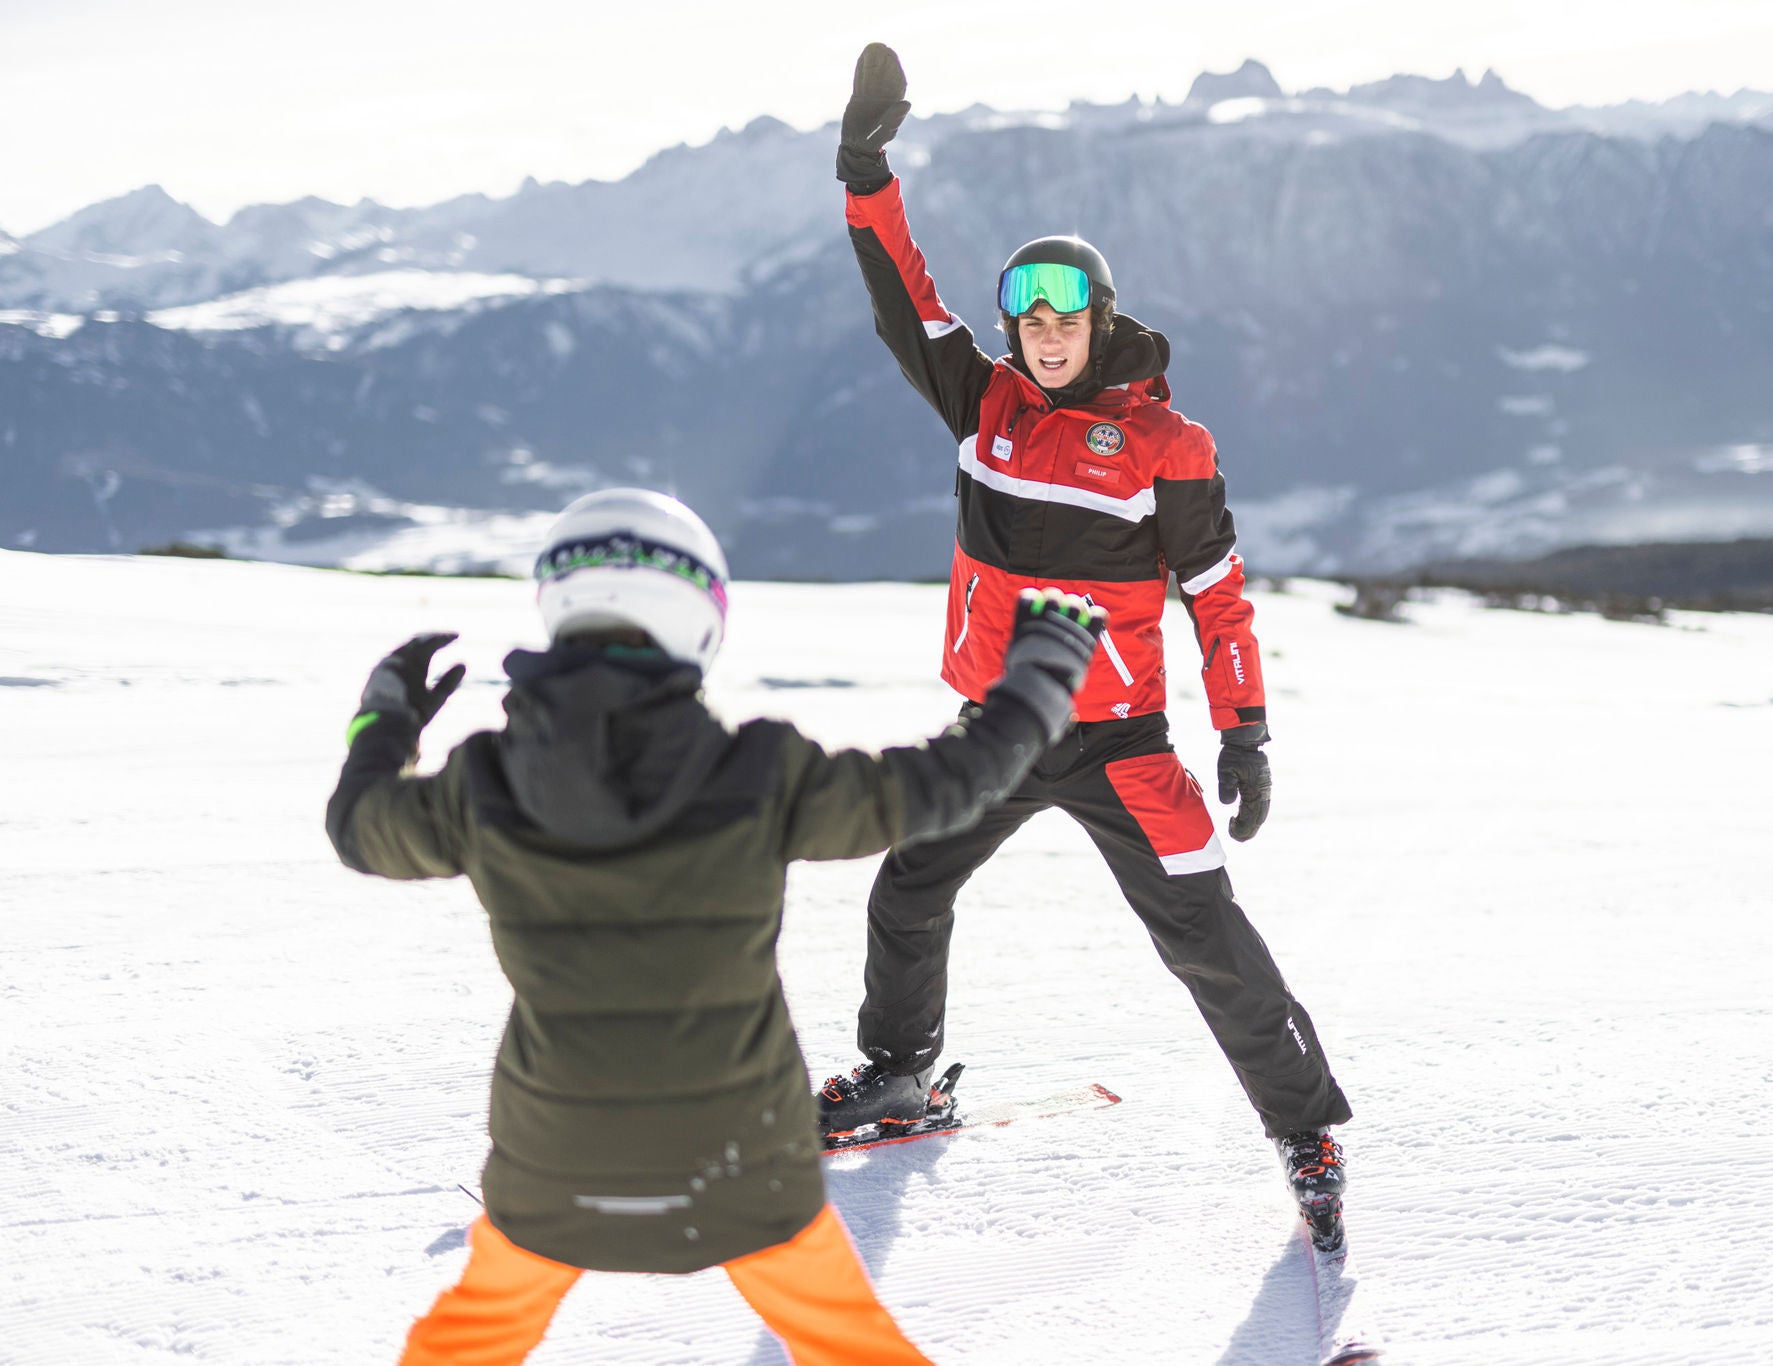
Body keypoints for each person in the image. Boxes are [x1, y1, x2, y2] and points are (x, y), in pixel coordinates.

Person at [325, 487, 1106, 1365]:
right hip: (743, 1174)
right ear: (698, 617)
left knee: (468, 1341)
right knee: (853, 1346)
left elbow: (360, 829)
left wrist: (383, 720)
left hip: (555, 1173)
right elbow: (948, 784)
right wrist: (1043, 670)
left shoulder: (484, 783)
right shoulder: (757, 771)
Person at [816, 44, 1354, 1251]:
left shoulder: (1167, 443)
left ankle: (1303, 1132)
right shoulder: (982, 400)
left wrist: (1244, 729)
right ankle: (899, 1071)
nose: (1045, 328)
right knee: (909, 886)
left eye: (1065, 311)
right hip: (994, 728)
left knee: (1204, 937)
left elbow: (1216, 592)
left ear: (1098, 320)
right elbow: (902, 288)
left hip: (1118, 742)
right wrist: (863, 168)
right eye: (1028, 310)